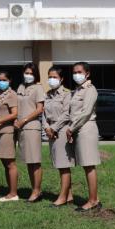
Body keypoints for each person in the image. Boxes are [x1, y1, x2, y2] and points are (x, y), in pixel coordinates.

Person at [67, 62, 101, 212]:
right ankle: (94, 199)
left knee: (89, 165)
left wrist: (71, 128)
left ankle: (93, 201)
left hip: (86, 128)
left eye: (79, 72)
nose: (76, 75)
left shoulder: (90, 89)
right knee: (86, 165)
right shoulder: (76, 91)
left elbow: (86, 112)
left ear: (87, 74)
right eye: (74, 72)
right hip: (78, 129)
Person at [42, 66, 74, 207]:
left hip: (61, 130)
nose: (51, 79)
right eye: (50, 77)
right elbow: (43, 113)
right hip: (50, 131)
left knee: (63, 165)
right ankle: (69, 196)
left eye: (54, 77)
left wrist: (54, 128)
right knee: (59, 164)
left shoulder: (67, 94)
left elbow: (67, 114)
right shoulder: (47, 94)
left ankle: (62, 197)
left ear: (61, 79)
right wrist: (46, 127)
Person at [16, 63, 46, 202]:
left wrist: (24, 120)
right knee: (28, 161)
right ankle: (34, 188)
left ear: (35, 75)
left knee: (35, 161)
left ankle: (37, 191)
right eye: (26, 73)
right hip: (21, 129)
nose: (28, 75)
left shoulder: (38, 88)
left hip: (32, 127)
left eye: (31, 73)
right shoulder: (21, 87)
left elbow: (40, 109)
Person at [0, 71, 19, 202]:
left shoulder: (11, 94)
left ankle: (13, 193)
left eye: (4, 80)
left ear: (9, 81)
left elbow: (14, 113)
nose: (1, 82)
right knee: (5, 162)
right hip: (0, 131)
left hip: (8, 131)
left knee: (10, 163)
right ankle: (10, 191)